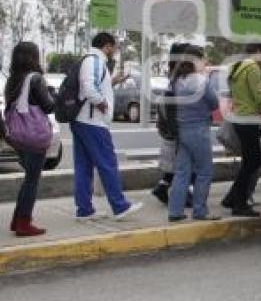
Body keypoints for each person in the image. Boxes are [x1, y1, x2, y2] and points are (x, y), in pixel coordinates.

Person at [72, 32, 143, 221]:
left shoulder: (91, 60)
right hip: (93, 122)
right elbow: (88, 87)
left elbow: (94, 85)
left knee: (84, 166)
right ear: (107, 46)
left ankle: (84, 210)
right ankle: (120, 206)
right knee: (107, 163)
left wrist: (112, 82)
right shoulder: (94, 60)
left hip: (83, 121)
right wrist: (102, 104)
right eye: (115, 46)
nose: (115, 50)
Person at [5, 42, 55, 237]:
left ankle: (17, 219)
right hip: (33, 137)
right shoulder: (35, 79)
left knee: (29, 179)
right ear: (33, 57)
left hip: (17, 136)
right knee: (32, 181)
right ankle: (24, 223)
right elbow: (49, 106)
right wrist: (52, 93)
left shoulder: (13, 80)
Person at [168, 45, 220, 222]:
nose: (205, 62)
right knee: (204, 171)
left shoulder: (177, 80)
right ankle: (199, 211)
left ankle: (175, 211)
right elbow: (214, 104)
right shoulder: (201, 81)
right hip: (199, 130)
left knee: (182, 172)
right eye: (203, 59)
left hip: (181, 130)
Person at [222, 44, 261, 217]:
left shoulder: (238, 67)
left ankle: (233, 198)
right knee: (254, 161)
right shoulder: (253, 68)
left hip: (240, 118)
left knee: (250, 161)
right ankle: (239, 204)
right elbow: (259, 97)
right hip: (248, 119)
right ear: (257, 52)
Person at [152, 42, 194, 207]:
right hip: (178, 124)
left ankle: (163, 187)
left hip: (171, 124)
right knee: (185, 162)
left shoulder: (174, 71)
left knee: (177, 161)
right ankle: (184, 195)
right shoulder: (182, 73)